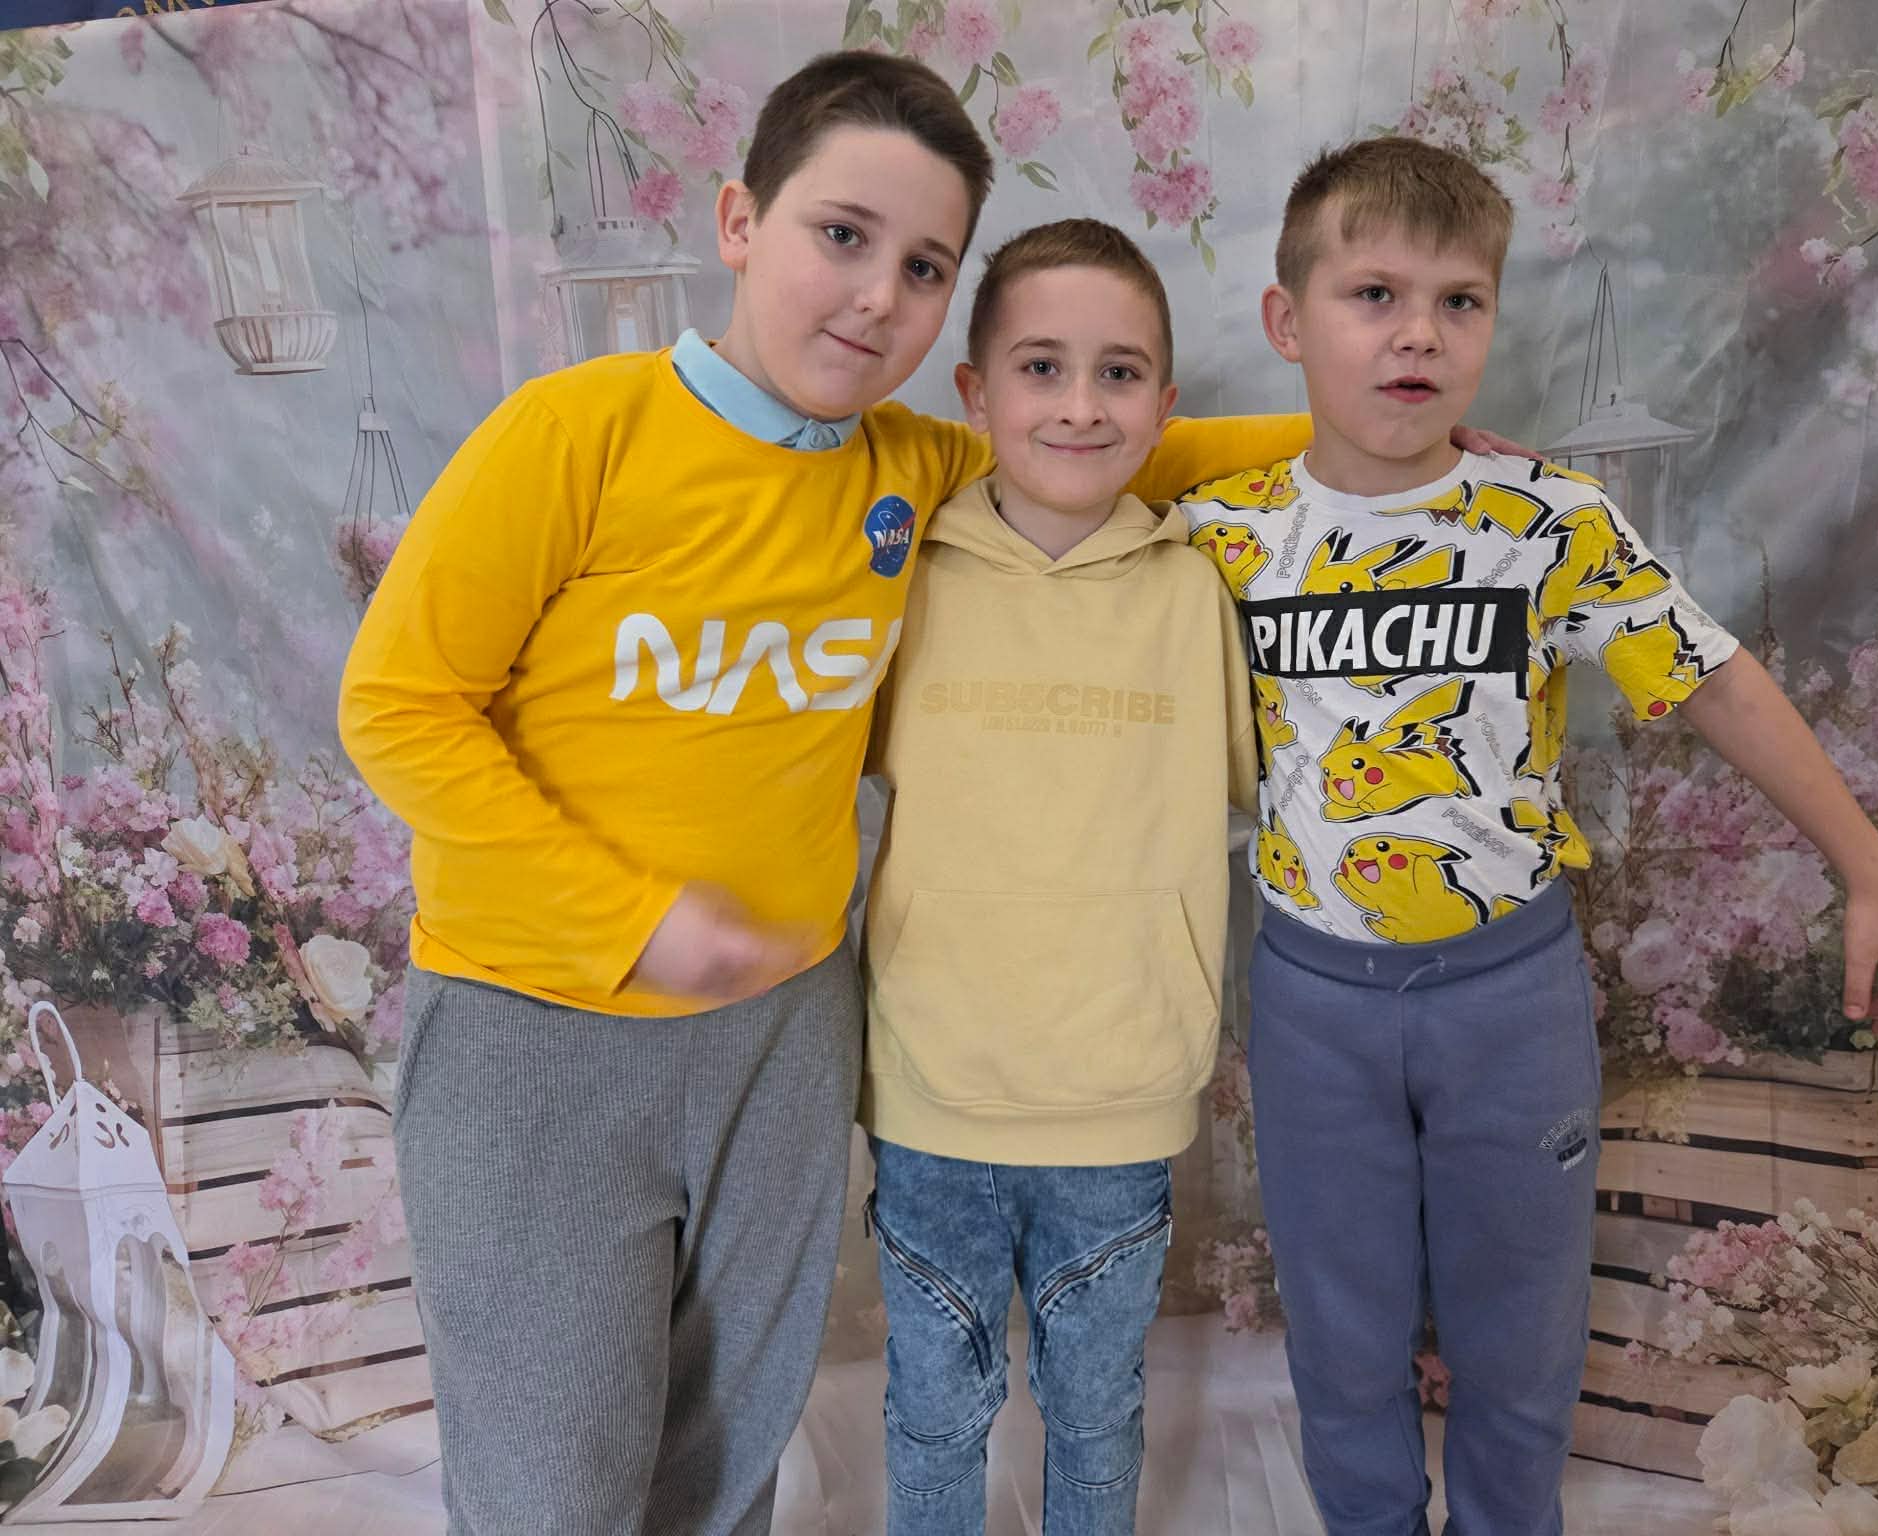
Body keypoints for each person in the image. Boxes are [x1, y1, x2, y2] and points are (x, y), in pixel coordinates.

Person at [338, 49, 1319, 1536]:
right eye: (842, 235)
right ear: (740, 221)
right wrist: (629, 915)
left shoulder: (912, 468)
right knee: (555, 1480)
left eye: (924, 268)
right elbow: (398, 705)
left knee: (727, 1449)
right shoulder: (576, 433)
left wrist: (1376, 440)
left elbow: (1144, 447)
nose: (876, 298)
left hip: (787, 1033)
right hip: (539, 1025)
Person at [1180, 134, 1878, 1536]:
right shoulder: (1216, 534)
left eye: (1458, 301)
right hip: (1312, 1005)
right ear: (1288, 320)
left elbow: (1714, 678)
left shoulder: (1544, 521)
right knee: (1343, 1349)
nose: (1418, 332)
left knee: (1518, 1349)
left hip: (1508, 999)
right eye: (1373, 295)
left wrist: (1870, 867)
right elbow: (1057, 470)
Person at [859, 218, 1258, 1534]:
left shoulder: (1198, 590)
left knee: (1097, 1412)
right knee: (933, 1413)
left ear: (1165, 404)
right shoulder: (901, 580)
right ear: (974, 396)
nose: (1081, 406)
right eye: (1042, 368)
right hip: (933, 1087)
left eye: (1118, 373)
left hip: (1122, 1088)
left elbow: (1274, 790)